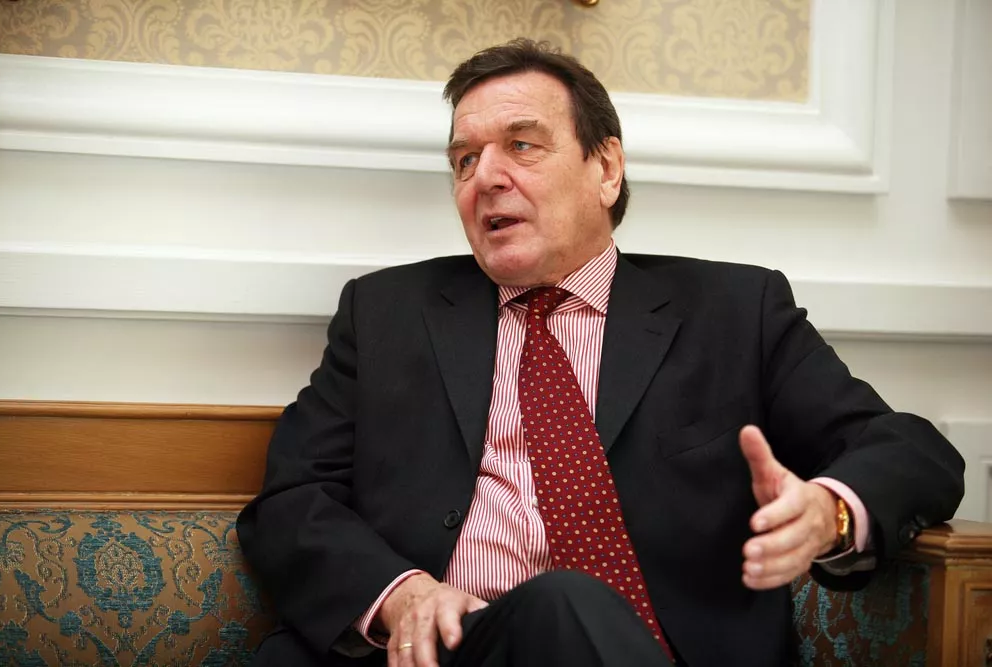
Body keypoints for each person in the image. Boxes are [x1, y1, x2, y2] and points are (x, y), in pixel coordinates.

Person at [237, 39, 964, 667]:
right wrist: (404, 595)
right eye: (465, 159)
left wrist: (831, 512)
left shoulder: (735, 313)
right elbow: (292, 501)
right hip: (459, 651)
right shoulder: (386, 315)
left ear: (606, 168)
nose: (485, 176)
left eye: (522, 145)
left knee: (568, 604)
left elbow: (911, 449)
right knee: (558, 603)